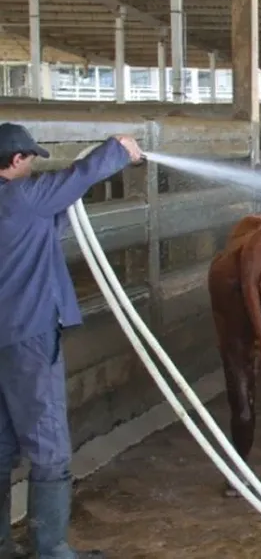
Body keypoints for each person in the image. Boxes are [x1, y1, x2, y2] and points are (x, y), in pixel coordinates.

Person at [0, 123, 143, 559]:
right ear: (17, 160)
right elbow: (79, 176)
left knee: (1, 443)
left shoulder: (22, 207)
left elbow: (47, 218)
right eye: (31, 159)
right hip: (29, 334)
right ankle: (51, 548)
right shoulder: (23, 197)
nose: (33, 166)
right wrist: (119, 150)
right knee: (48, 443)